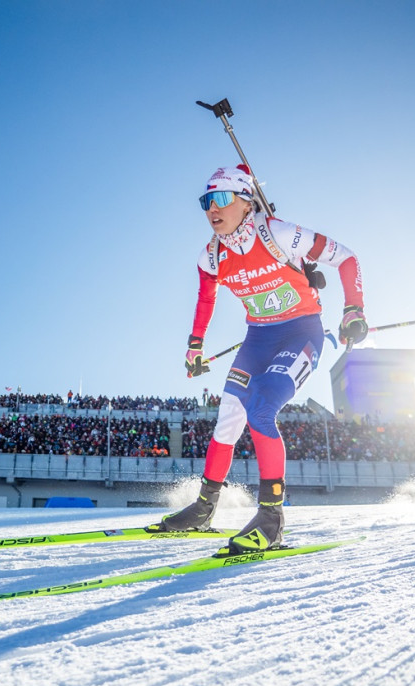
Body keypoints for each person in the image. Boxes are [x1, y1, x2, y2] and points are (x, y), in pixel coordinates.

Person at [149, 165, 367, 554]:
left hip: (301, 333)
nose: (210, 209)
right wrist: (195, 345)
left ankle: (271, 519)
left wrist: (353, 310)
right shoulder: (211, 256)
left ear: (245, 202)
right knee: (229, 416)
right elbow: (205, 298)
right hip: (258, 338)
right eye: (205, 201)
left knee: (262, 406)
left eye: (219, 199)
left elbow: (347, 259)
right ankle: (204, 508)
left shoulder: (279, 233)